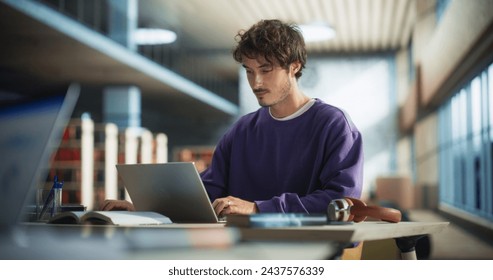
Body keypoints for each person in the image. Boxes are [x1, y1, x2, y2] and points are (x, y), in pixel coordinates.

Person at [101, 19, 364, 217]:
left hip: (309, 253)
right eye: (249, 71)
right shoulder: (242, 130)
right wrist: (147, 209)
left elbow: (342, 201)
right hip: (245, 250)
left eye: (266, 69)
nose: (256, 82)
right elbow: (206, 193)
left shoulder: (334, 125)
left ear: (294, 67)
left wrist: (258, 209)